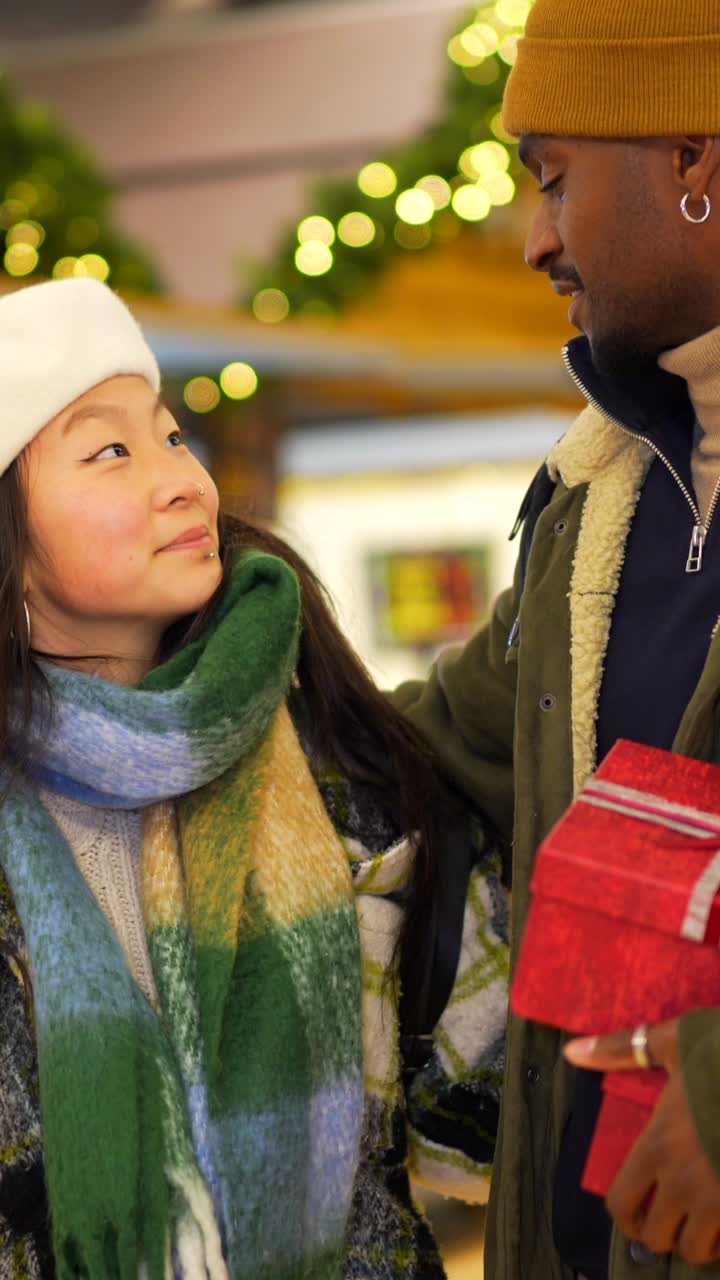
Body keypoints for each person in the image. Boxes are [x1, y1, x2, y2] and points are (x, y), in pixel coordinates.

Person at [0, 277, 508, 1280]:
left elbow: (488, 1080)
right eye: (110, 450)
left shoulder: (336, 754)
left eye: (170, 434)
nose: (183, 478)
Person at [395, 3, 720, 1278]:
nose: (536, 237)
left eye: (554, 178)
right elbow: (421, 746)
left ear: (694, 157)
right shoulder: (591, 505)